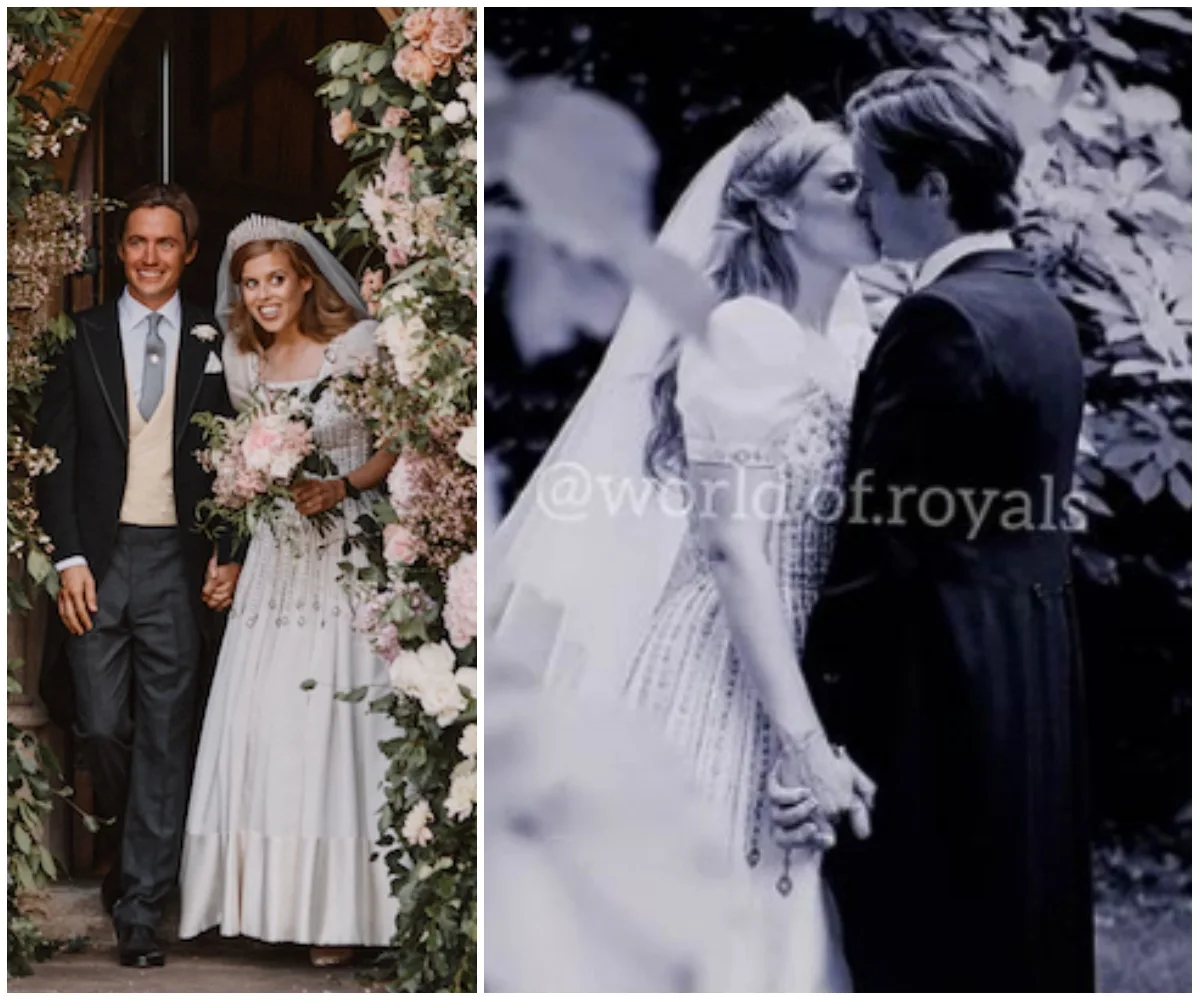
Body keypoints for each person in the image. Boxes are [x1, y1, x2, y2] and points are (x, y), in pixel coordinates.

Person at [487, 97, 878, 990]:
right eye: (844, 183)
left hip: (812, 654)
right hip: (730, 663)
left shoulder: (849, 341)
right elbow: (734, 548)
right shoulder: (740, 333)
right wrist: (802, 745)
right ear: (778, 208)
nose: (869, 201)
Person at [790, 67, 1093, 991]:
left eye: (877, 180)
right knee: (1014, 924)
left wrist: (814, 728)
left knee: (925, 934)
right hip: (1031, 664)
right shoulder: (1038, 307)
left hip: (937, 690)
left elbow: (882, 547)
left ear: (932, 184)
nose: (870, 205)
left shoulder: (940, 320)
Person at [178, 215, 399, 967]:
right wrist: (227, 554)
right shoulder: (245, 363)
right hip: (276, 563)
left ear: (307, 279)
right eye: (251, 283)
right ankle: (263, 900)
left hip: (344, 554)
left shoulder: (357, 348)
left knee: (335, 727)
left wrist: (341, 483)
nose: (264, 295)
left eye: (276, 278)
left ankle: (340, 910)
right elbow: (241, 482)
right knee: (267, 723)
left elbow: (393, 440)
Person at [35, 183, 243, 968]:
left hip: (177, 562)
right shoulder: (81, 336)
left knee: (166, 733)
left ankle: (141, 907)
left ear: (189, 251)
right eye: (136, 242)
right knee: (99, 723)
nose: (150, 257)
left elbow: (237, 463)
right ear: (119, 250)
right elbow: (52, 460)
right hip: (100, 555)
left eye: (165, 243)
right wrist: (68, 556)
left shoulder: (214, 343)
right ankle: (130, 845)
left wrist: (227, 549)